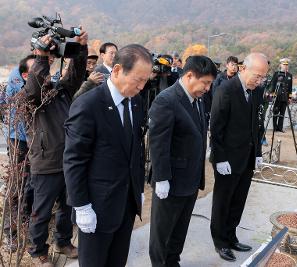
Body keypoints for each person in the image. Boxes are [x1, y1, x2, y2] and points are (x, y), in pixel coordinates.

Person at [64, 44, 151, 267]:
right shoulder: (88, 105)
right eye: (137, 80)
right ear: (118, 70)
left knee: (117, 261)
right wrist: (81, 205)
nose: (141, 87)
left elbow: (135, 150)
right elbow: (74, 161)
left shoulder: (136, 102)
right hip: (96, 208)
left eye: (145, 81)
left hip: (126, 205)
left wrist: (138, 188)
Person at [22, 31, 88, 266]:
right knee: (41, 210)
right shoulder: (30, 100)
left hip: (67, 160)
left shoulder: (60, 92)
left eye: (47, 64)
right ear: (28, 75)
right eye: (39, 68)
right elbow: (34, 86)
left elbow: (76, 75)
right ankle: (38, 250)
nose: (44, 70)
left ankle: (63, 241)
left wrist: (80, 49)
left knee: (67, 207)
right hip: (46, 162)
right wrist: (40, 56)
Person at [148, 55, 217, 267]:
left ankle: (172, 261)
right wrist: (161, 178)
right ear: (189, 75)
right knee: (163, 231)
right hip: (170, 181)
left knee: (180, 228)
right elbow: (158, 143)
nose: (207, 88)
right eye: (205, 83)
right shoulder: (167, 100)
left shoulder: (197, 99)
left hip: (191, 179)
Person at [210, 53, 268, 262]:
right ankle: (220, 242)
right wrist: (220, 158)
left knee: (239, 200)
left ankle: (231, 235)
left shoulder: (256, 91)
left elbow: (256, 125)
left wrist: (258, 153)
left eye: (263, 77)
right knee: (223, 201)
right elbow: (216, 128)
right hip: (228, 158)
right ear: (243, 69)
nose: (260, 81)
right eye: (257, 76)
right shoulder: (226, 89)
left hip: (247, 157)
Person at [2, 55, 35, 251]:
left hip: (35, 140)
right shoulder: (17, 75)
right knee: (15, 187)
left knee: (30, 187)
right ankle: (10, 234)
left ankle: (25, 228)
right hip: (19, 139)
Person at [270, 58, 293, 132]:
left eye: (286, 65)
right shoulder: (276, 74)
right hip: (277, 96)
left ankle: (280, 128)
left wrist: (289, 97)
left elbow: (290, 87)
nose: (285, 66)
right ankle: (275, 128)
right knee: (275, 112)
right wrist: (273, 95)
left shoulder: (289, 75)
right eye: (284, 65)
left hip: (285, 97)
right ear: (280, 65)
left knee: (282, 113)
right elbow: (273, 85)